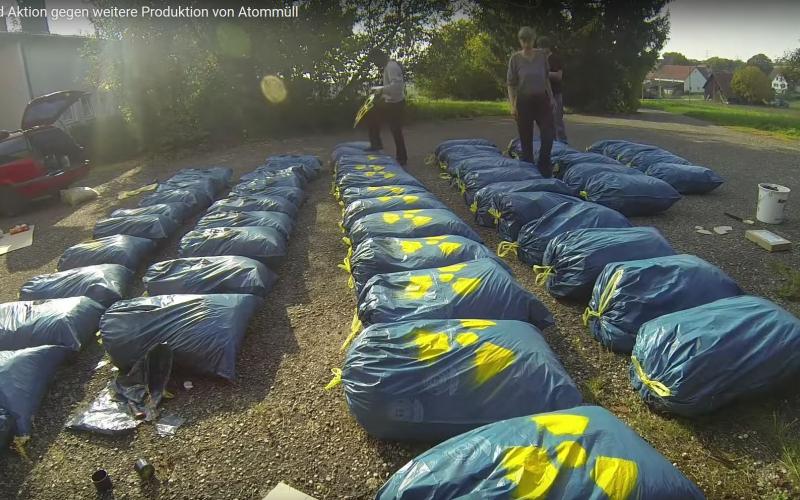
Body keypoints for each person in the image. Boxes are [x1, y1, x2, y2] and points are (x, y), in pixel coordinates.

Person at [507, 26, 555, 177]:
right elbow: (510, 84)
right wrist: (513, 105)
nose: (526, 44)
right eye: (523, 41)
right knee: (526, 139)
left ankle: (544, 166)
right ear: (520, 41)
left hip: (542, 100)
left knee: (548, 135)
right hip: (524, 101)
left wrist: (551, 97)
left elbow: (546, 78)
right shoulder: (515, 59)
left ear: (534, 40)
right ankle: (529, 172)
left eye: (529, 40)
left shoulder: (541, 56)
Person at [366, 48, 408, 166]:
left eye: (375, 61)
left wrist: (380, 90)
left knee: (395, 130)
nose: (375, 64)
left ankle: (402, 157)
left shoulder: (391, 67)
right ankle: (376, 144)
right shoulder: (388, 66)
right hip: (390, 101)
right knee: (372, 118)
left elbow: (396, 87)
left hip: (396, 104)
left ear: (380, 58)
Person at [535, 36, 567, 143]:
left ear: (547, 48)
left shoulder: (555, 59)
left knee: (557, 123)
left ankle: (563, 145)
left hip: (556, 94)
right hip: (542, 96)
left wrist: (544, 73)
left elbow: (559, 76)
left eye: (542, 48)